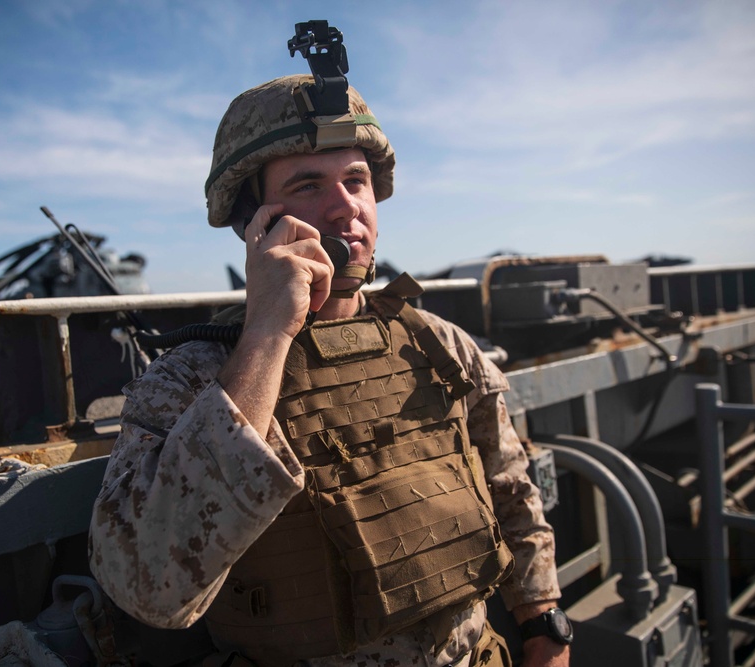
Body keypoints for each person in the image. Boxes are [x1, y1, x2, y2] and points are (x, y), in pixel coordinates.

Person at [89, 69, 570, 667]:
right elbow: (150, 587)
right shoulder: (192, 379)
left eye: (356, 180)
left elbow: (510, 488)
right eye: (309, 185)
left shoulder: (440, 345)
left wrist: (545, 629)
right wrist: (268, 333)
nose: (345, 206)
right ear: (254, 219)